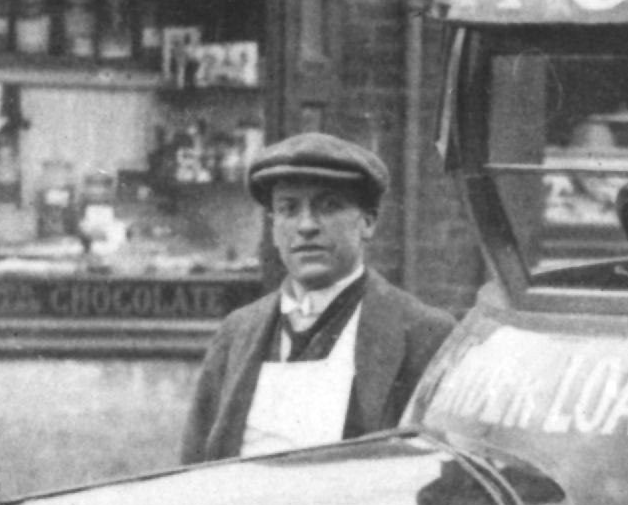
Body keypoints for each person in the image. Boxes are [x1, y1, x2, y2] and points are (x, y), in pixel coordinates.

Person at [180, 132, 457, 464]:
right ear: (273, 227)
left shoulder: (422, 334)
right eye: (289, 208)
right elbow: (193, 469)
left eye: (328, 206)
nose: (306, 225)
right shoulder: (237, 332)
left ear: (367, 222)